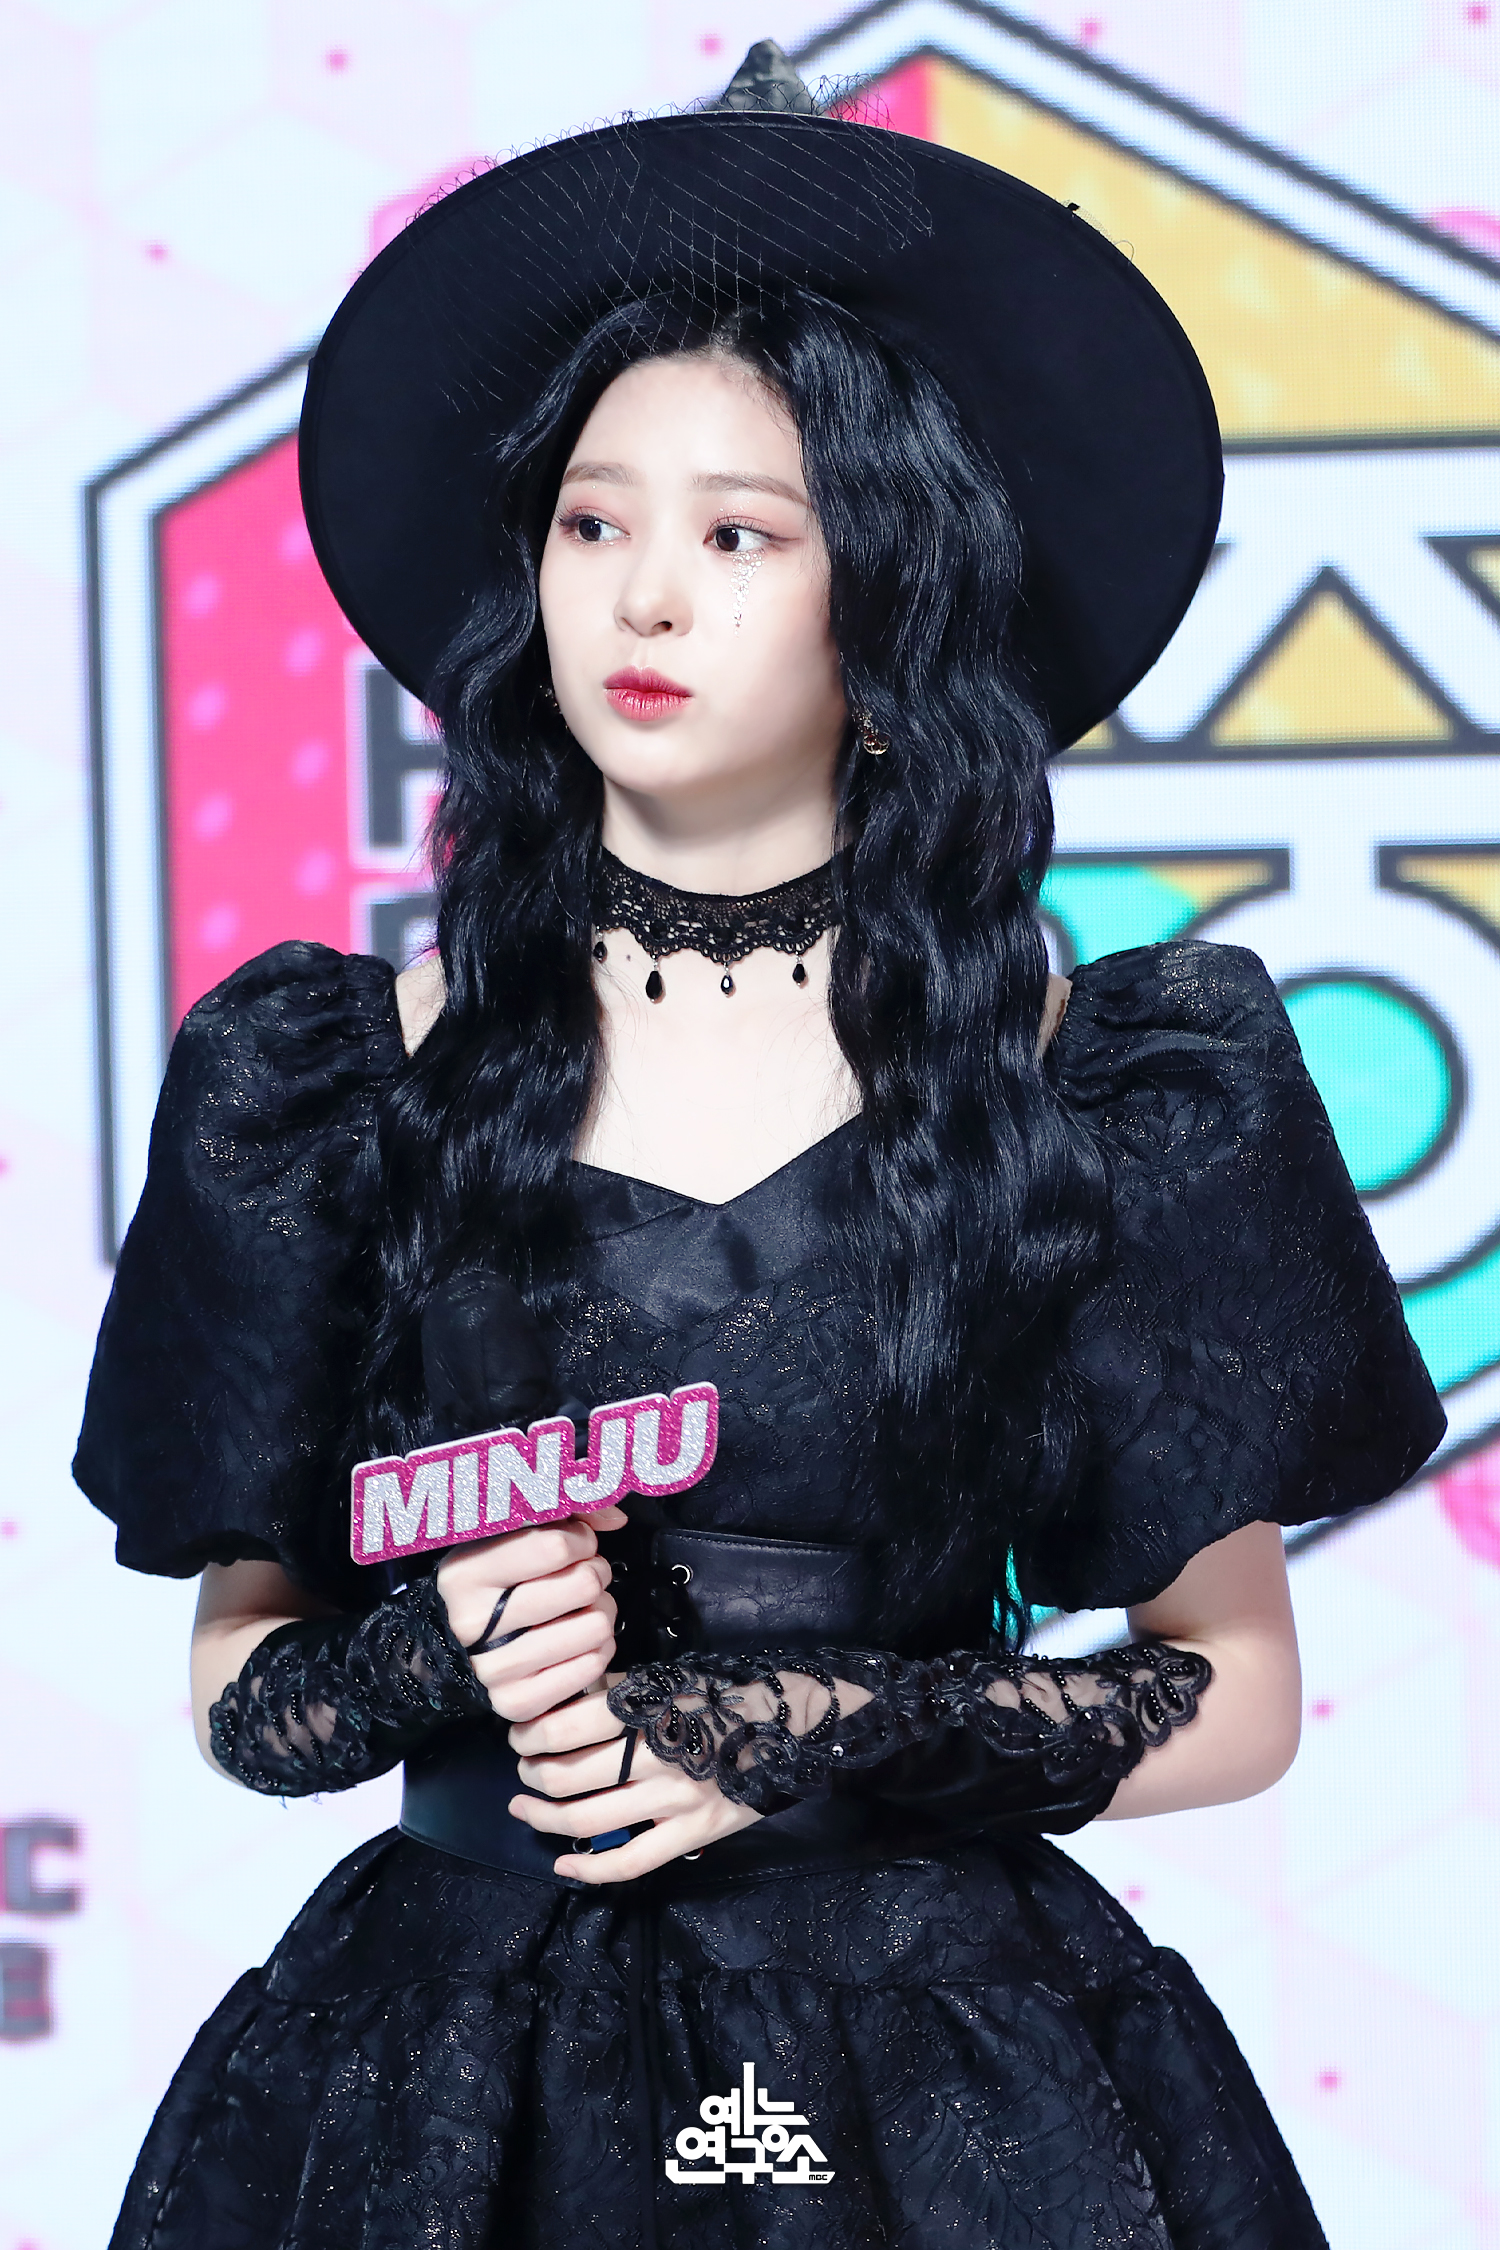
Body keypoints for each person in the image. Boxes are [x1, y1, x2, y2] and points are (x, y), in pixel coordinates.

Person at [75, 42, 1444, 2250]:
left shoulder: (1101, 1081)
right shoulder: (340, 1076)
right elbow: (245, 1681)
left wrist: (819, 1726)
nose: (643, 598)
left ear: (885, 610)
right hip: (452, 2082)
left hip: (943, 2078)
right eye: (594, 523)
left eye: (738, 536)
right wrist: (435, 1655)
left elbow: (1242, 1689)